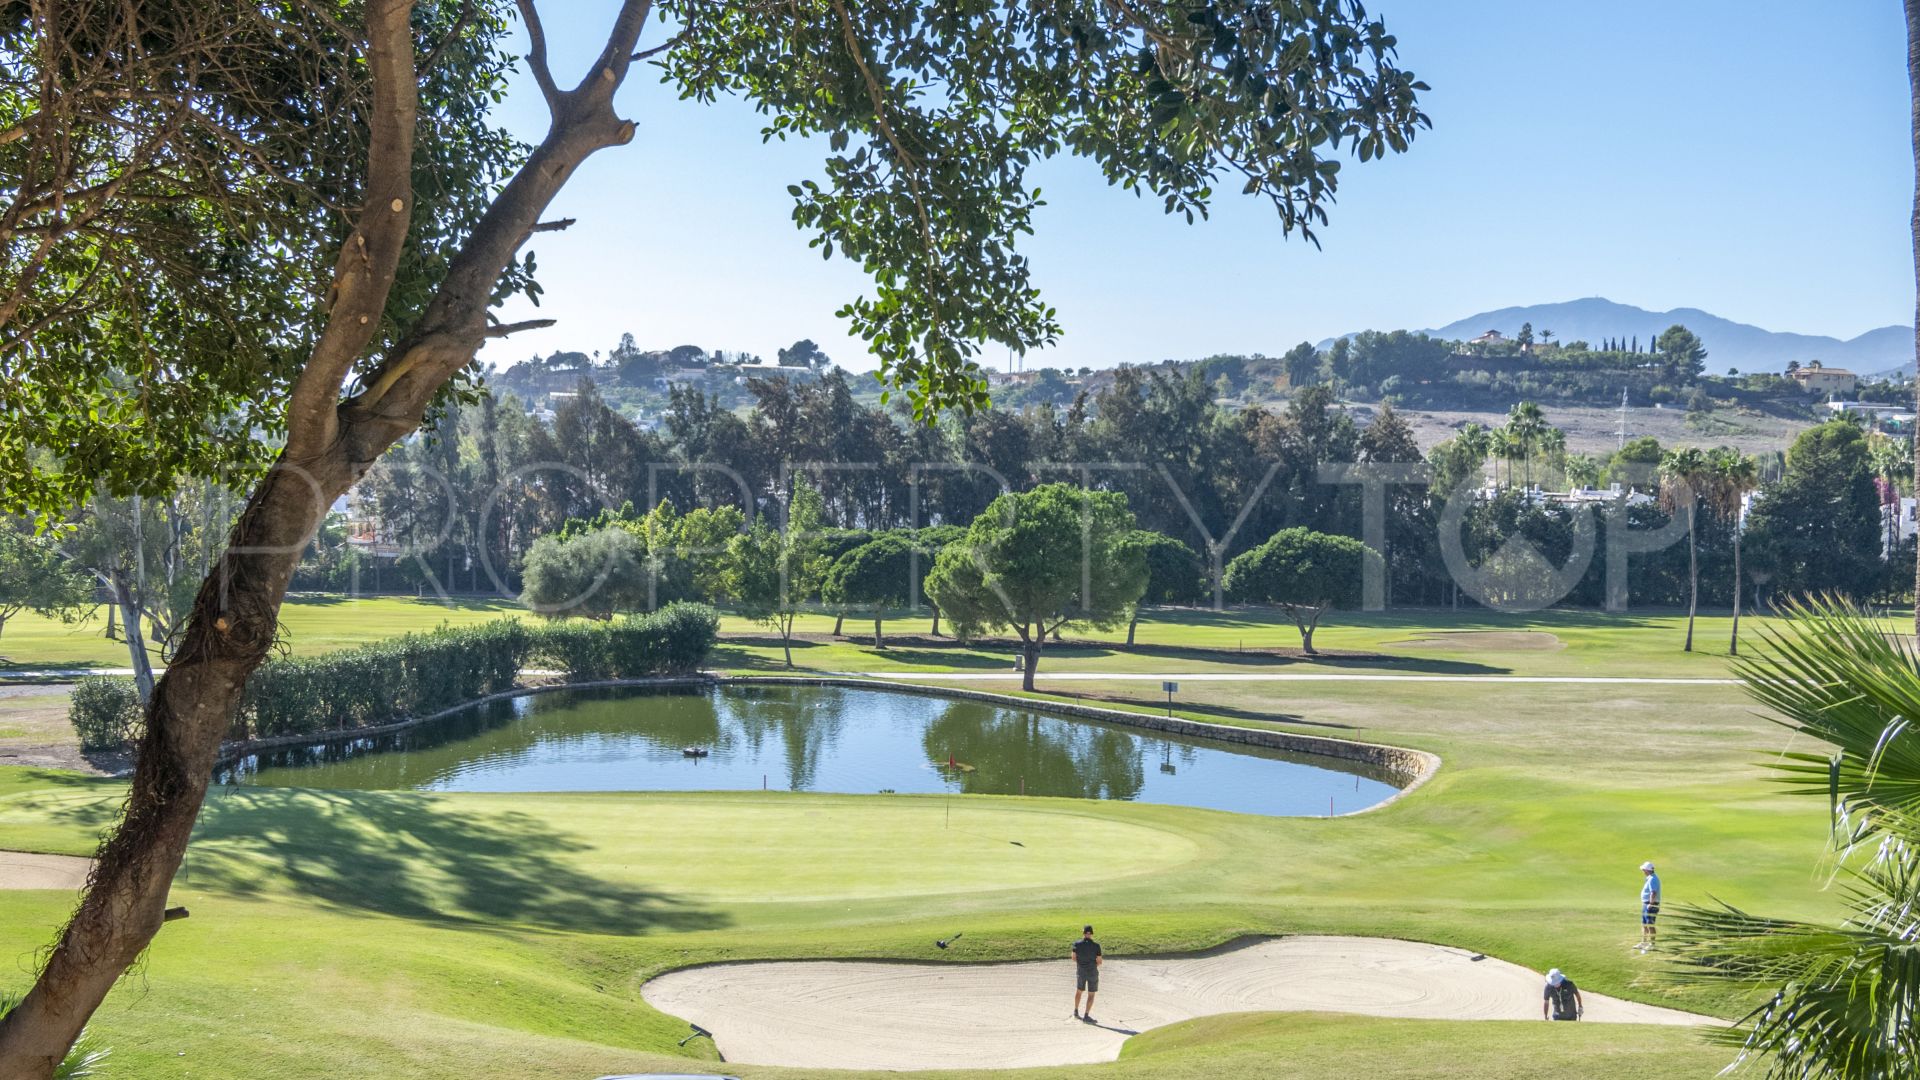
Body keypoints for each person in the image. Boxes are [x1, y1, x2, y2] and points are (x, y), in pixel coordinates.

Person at [1071, 924, 1103, 1022]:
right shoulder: (1096, 946)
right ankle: (1086, 1015)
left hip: (1081, 971)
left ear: (1083, 933)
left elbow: (1073, 958)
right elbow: (1099, 961)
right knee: (1091, 994)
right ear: (1091, 934)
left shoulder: (1076, 944)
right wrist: (1092, 966)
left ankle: (1076, 1011)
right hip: (1092, 971)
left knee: (1079, 991)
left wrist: (1081, 964)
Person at [1638, 860, 1661, 952]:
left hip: (1651, 905)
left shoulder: (1653, 879)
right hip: (1646, 904)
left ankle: (1652, 944)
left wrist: (1651, 904)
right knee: (1644, 924)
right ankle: (1643, 942)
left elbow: (1653, 892)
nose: (1643, 871)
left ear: (1647, 870)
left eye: (1643, 870)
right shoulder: (1650, 878)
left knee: (1650, 925)